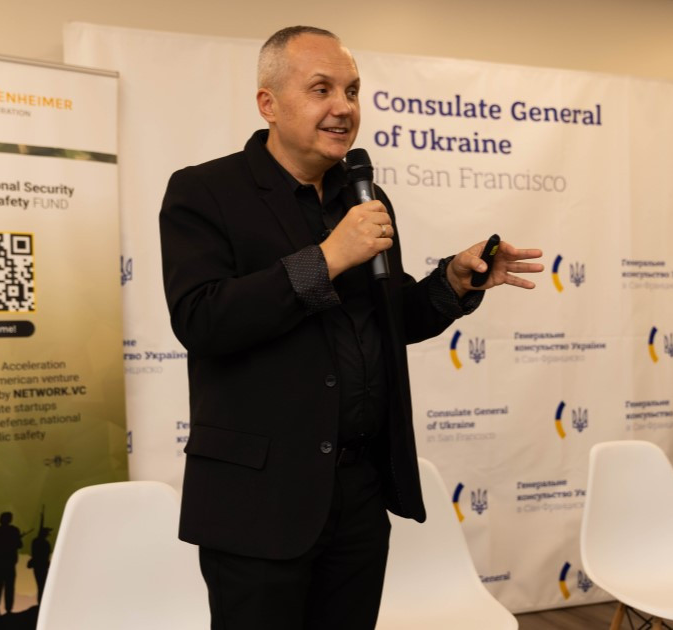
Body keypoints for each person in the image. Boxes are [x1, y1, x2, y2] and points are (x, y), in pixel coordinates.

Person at [159, 25, 542, 630]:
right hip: (260, 501)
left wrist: (452, 282)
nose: (343, 107)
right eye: (322, 89)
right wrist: (327, 258)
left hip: (358, 494)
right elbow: (201, 319)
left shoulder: (362, 196)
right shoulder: (205, 191)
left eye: (353, 90)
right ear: (268, 103)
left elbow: (389, 320)